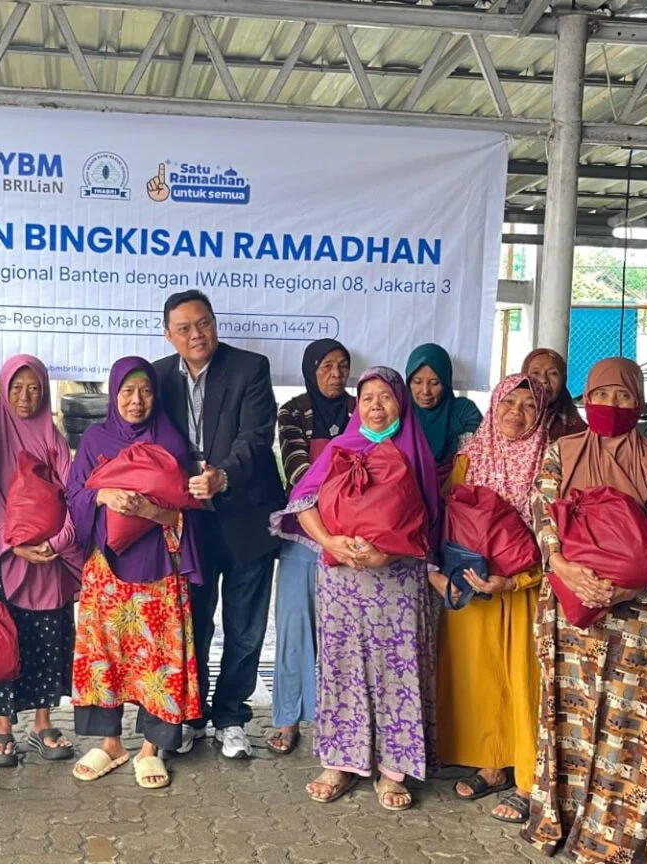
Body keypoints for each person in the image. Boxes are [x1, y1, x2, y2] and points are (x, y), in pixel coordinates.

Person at [523, 357, 647, 864]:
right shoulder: (561, 452)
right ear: (587, 398)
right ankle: (562, 821)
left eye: (623, 396)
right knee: (566, 715)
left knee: (627, 725)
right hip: (568, 609)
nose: (612, 405)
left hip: (633, 619)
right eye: (602, 395)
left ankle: (617, 837)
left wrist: (617, 591)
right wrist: (564, 568)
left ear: (639, 401)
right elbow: (542, 515)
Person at [270, 366, 438, 813]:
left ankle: (393, 770)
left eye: (385, 397)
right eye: (367, 398)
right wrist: (329, 542)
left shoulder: (414, 451)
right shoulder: (340, 448)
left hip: (397, 584)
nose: (376, 406)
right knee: (342, 668)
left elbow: (429, 524)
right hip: (342, 583)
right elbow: (302, 501)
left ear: (401, 403)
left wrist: (390, 554)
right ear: (357, 405)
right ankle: (340, 763)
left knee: (396, 671)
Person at [152, 290, 284, 759]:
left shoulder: (249, 368)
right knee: (193, 625)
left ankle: (231, 717)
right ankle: (192, 715)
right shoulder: (158, 377)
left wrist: (221, 475)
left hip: (245, 514)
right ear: (168, 335)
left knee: (245, 628)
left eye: (203, 323)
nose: (196, 334)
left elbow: (256, 437)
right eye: (184, 328)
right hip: (189, 525)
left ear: (214, 324)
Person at [66, 357, 203, 788]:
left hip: (158, 570)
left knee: (157, 659)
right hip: (106, 571)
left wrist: (148, 509)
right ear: (113, 394)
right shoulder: (95, 438)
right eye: (127, 391)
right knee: (104, 653)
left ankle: (150, 748)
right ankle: (109, 743)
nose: (136, 400)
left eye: (145, 391)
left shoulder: (171, 441)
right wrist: (103, 494)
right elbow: (73, 493)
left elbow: (186, 509)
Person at [433, 373, 550, 824]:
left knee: (522, 680)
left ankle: (528, 780)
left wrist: (515, 582)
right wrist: (442, 577)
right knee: (480, 678)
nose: (516, 413)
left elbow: (556, 537)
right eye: (508, 403)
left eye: (528, 406)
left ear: (540, 414)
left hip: (522, 590)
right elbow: (444, 519)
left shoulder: (548, 463)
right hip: (471, 586)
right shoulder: (470, 458)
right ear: (494, 405)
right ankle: (492, 764)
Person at [0, 354, 83, 766]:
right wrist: (13, 543)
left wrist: (59, 541)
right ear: (4, 389)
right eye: (17, 388)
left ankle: (43, 723)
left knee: (47, 640)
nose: (25, 397)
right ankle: (3, 725)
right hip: (6, 558)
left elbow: (74, 495)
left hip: (49, 561)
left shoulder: (52, 437)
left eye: (35, 388)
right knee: (6, 641)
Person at [268, 338, 353, 755]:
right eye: (326, 367)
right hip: (304, 528)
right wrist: (341, 490)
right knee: (294, 627)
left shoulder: (360, 409)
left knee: (343, 632)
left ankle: (338, 721)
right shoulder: (292, 410)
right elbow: (298, 468)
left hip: (351, 534)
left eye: (342, 367)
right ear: (310, 370)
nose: (336, 375)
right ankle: (288, 718)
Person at [405, 343, 482, 479]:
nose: (425, 391)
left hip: (454, 486)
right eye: (417, 382)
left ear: (446, 382)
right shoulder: (399, 411)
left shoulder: (464, 412)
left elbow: (471, 462)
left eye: (435, 383)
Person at [522, 348, 587, 441]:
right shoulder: (510, 420)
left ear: (563, 380)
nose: (544, 380)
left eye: (553, 373)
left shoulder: (580, 434)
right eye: (535, 373)